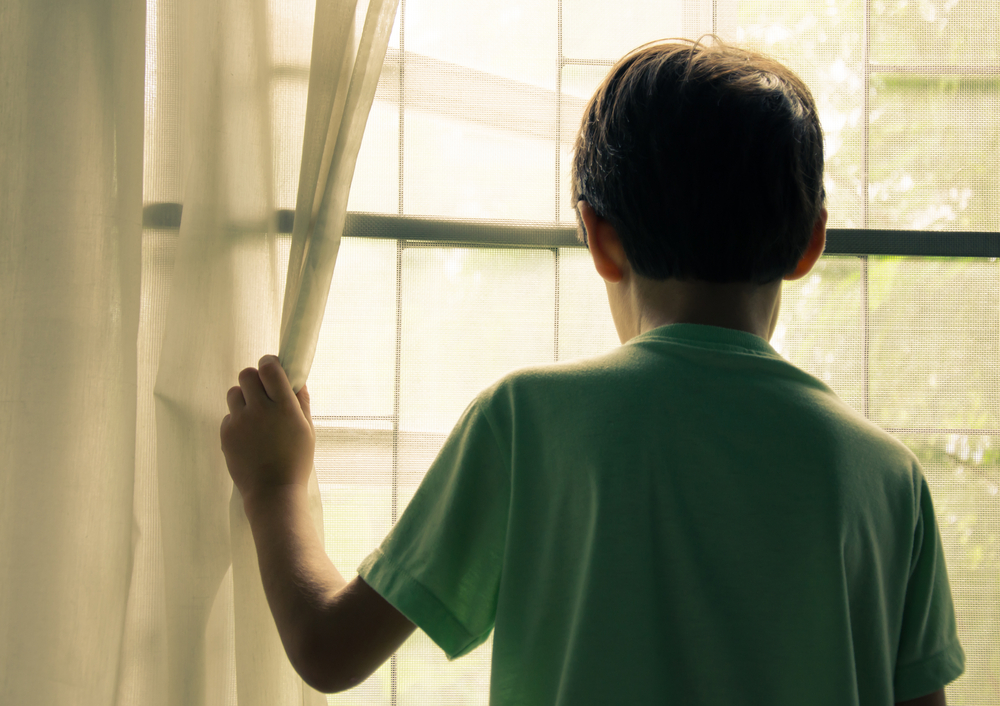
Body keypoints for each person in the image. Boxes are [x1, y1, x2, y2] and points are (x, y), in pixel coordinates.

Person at [220, 37, 966, 705]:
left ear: (600, 238)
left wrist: (274, 485)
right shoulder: (889, 478)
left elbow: (329, 647)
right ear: (811, 244)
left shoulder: (527, 422)